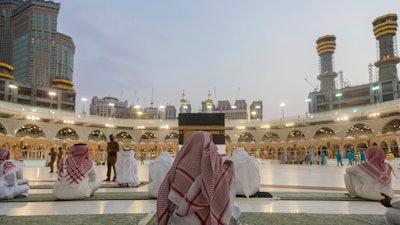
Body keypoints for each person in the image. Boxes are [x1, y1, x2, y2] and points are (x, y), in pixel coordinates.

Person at [157, 131, 240, 225]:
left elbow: (164, 197)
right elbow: (228, 197)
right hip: (214, 219)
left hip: (179, 221)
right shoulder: (222, 165)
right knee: (233, 211)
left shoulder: (178, 167)